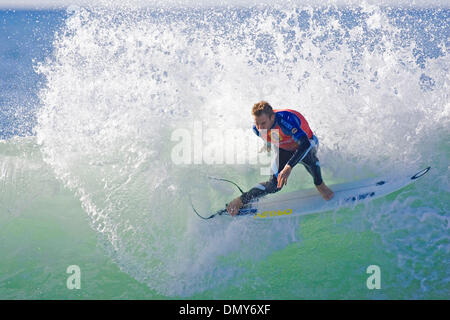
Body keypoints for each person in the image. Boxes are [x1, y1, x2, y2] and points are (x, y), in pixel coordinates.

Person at [226, 101, 334, 216]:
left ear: (272, 117)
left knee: (309, 158)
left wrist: (288, 167)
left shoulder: (286, 121)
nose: (260, 127)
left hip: (306, 143)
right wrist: (268, 145)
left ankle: (320, 184)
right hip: (285, 148)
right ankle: (241, 199)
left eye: (263, 123)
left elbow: (305, 144)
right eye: (257, 123)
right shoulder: (257, 129)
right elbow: (271, 136)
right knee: (274, 185)